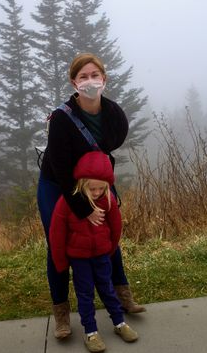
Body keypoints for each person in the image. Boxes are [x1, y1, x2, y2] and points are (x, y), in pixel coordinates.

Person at [37, 53, 145, 340]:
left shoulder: (114, 116)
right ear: (74, 82)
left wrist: (101, 189)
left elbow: (108, 148)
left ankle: (123, 295)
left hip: (95, 182)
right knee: (57, 241)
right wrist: (84, 208)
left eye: (94, 75)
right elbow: (61, 170)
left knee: (107, 233)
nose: (90, 81)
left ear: (104, 80)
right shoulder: (61, 119)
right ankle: (61, 312)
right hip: (56, 183)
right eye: (83, 77)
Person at [49, 151, 139, 352]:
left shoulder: (108, 199)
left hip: (101, 256)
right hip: (79, 259)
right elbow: (56, 232)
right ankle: (91, 332)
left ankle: (119, 323)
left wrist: (110, 248)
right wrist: (61, 261)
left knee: (107, 289)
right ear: (81, 183)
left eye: (101, 188)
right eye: (92, 188)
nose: (97, 192)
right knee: (85, 294)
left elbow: (116, 227)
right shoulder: (68, 201)